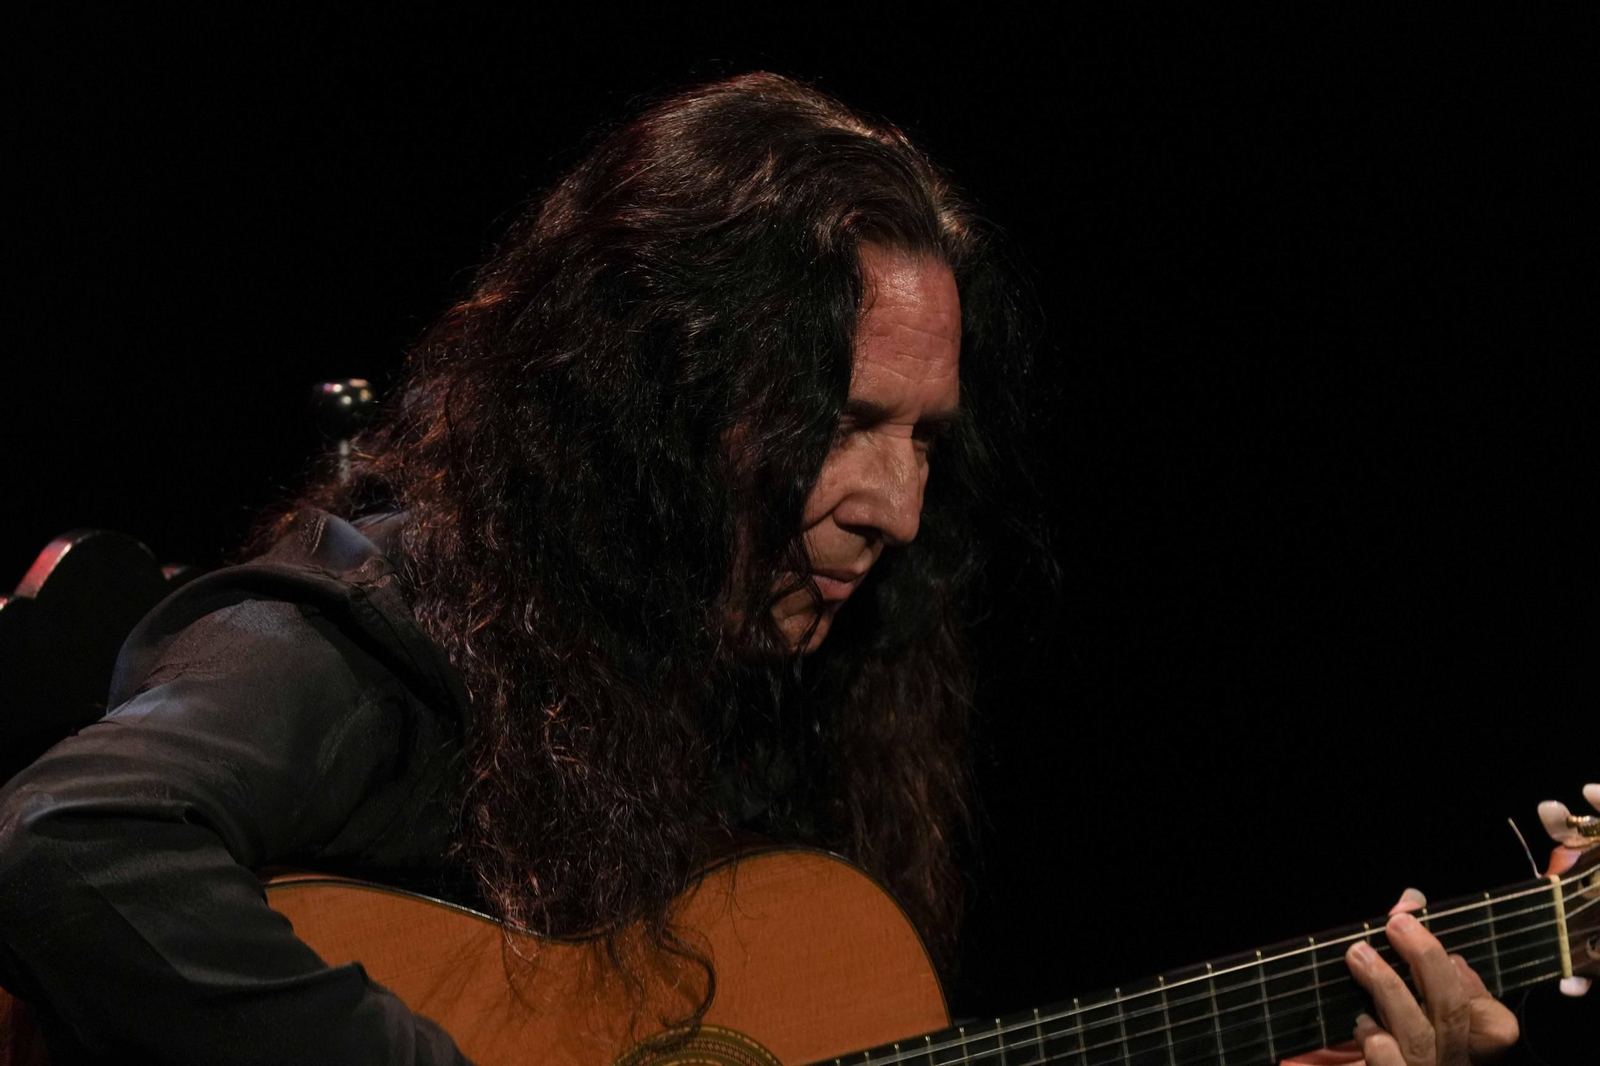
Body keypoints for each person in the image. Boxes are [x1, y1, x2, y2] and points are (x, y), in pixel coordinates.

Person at [0, 72, 1538, 1065]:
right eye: (844, 421)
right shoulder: (389, 631)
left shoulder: (779, 711)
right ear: (650, 399)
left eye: (926, 437)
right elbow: (65, 841)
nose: (898, 504)